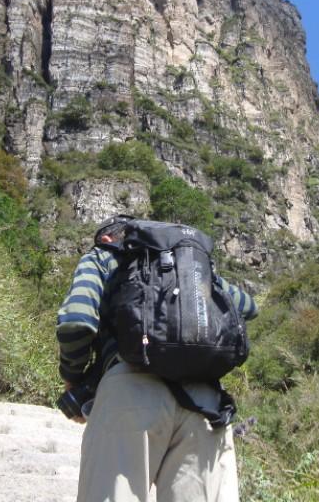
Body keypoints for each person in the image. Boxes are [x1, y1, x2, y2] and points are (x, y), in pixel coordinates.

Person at [56, 215, 258, 502]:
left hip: (131, 390)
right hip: (206, 404)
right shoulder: (193, 269)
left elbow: (76, 321)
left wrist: (73, 378)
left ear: (106, 238)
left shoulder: (103, 257)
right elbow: (249, 307)